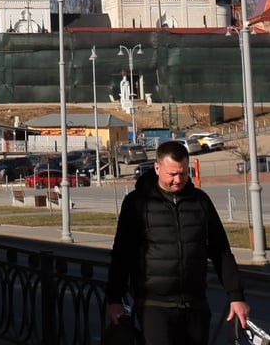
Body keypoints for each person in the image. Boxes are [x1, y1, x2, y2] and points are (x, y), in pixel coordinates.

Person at [105, 140, 250, 344]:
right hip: (153, 306)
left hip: (195, 306)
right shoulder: (137, 203)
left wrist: (236, 295)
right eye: (171, 174)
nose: (178, 179)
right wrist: (114, 298)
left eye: (183, 173)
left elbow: (220, 250)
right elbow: (122, 254)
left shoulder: (200, 201)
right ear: (157, 168)